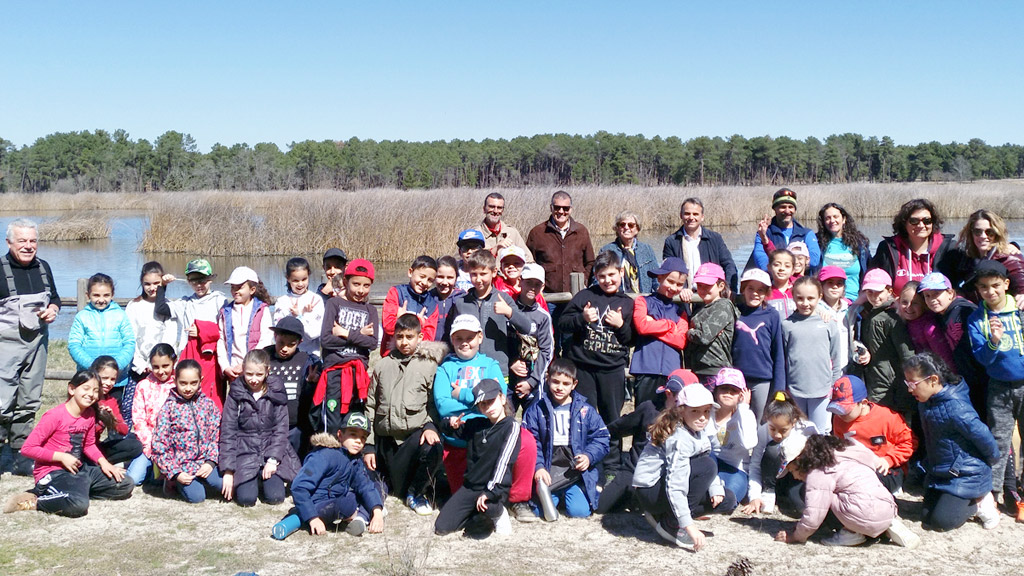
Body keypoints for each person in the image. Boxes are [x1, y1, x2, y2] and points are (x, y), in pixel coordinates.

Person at [4, 370, 133, 516]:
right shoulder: (54, 416)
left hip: (79, 470)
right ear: (72, 389)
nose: (91, 394)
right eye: (86, 388)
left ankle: (73, 493)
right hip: (54, 473)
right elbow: (28, 449)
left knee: (125, 484)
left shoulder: (90, 414)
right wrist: (61, 457)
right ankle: (34, 501)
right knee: (78, 505)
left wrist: (104, 463)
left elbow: (89, 445)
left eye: (96, 391)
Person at [905, 352, 1001, 531]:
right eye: (907, 383)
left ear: (933, 380)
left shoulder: (957, 408)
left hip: (965, 474)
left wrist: (990, 462)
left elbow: (984, 437)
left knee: (943, 523)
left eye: (913, 384)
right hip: (941, 472)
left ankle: (981, 502)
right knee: (926, 518)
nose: (910, 389)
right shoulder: (925, 402)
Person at [558, 250, 634, 472]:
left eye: (611, 275)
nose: (607, 280)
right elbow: (562, 323)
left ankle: (611, 467)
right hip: (584, 369)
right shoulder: (584, 297)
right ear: (595, 277)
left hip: (612, 370)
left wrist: (621, 325)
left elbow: (631, 340)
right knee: (584, 417)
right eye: (602, 276)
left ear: (620, 272)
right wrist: (581, 319)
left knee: (612, 418)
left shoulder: (627, 303)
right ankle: (587, 464)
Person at [773, 435, 920, 548]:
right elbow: (872, 462)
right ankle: (888, 524)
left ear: (800, 460)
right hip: (887, 506)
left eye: (792, 470)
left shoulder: (819, 472)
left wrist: (796, 536)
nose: (795, 477)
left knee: (819, 497)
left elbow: (813, 516)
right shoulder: (846, 450)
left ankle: (850, 533)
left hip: (861, 514)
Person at [365, 313, 447, 515]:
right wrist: (368, 444)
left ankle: (415, 493)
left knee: (434, 446)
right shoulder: (382, 365)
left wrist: (429, 426)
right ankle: (378, 496)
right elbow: (371, 406)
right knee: (375, 478)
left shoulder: (429, 366)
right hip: (386, 440)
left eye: (409, 337)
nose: (404, 342)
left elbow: (433, 405)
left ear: (420, 337)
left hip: (412, 439)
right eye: (399, 337)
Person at [631, 383, 724, 551]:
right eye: (695, 411)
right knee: (708, 466)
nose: (702, 417)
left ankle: (664, 515)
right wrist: (689, 526)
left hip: (666, 485)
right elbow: (675, 484)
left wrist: (715, 487)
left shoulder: (698, 430)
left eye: (706, 411)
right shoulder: (679, 438)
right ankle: (672, 524)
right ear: (681, 411)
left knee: (727, 501)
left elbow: (701, 459)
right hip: (650, 490)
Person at [0, 218, 60, 476]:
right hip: (5, 345)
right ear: (9, 242)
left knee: (29, 400)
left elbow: (55, 298)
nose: (28, 246)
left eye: (33, 240)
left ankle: (21, 454)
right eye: (22, 240)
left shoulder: (43, 267)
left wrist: (54, 310)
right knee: (1, 402)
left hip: (38, 345)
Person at [965, 260, 1024, 512]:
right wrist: (994, 340)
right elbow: (982, 358)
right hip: (998, 386)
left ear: (1006, 285)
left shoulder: (1020, 311)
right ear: (978, 290)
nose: (991, 292)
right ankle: (996, 493)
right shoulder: (977, 319)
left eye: (996, 286)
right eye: (984, 287)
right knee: (999, 439)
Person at [272, 412, 385, 539]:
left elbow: (365, 485)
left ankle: (361, 518)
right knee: (347, 503)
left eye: (363, 437)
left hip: (337, 499)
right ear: (340, 435)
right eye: (353, 434)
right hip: (318, 505)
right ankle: (359, 515)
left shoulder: (355, 460)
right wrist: (313, 517)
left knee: (378, 486)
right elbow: (299, 487)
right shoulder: (324, 455)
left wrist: (377, 512)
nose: (358, 441)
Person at [597, 368, 695, 514]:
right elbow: (618, 427)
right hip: (634, 470)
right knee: (601, 507)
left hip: (666, 475)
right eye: (681, 399)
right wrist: (596, 434)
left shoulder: (693, 418)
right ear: (668, 393)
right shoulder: (649, 409)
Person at [523, 358, 610, 519]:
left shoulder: (586, 410)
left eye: (565, 383)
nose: (560, 388)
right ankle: (556, 494)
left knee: (580, 512)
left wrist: (589, 456)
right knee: (538, 511)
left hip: (574, 471)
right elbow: (530, 442)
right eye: (555, 382)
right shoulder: (536, 410)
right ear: (547, 379)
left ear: (574, 384)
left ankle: (575, 490)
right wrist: (539, 467)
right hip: (549, 468)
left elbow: (602, 437)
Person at [435, 379, 521, 537]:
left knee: (484, 519)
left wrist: (490, 492)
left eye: (491, 401)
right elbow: (450, 430)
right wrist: (450, 423)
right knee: (442, 527)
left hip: (492, 488)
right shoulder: (476, 425)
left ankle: (498, 512)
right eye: (483, 404)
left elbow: (504, 464)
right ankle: (477, 514)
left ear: (502, 399)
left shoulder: (511, 426)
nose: (488, 407)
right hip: (470, 487)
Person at [219, 349, 301, 507]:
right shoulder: (236, 393)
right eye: (249, 374)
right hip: (245, 451)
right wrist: (228, 470)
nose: (254, 379)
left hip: (270, 449)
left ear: (267, 372)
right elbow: (228, 432)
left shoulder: (276, 391)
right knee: (246, 500)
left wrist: (273, 460)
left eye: (259, 374)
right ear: (243, 370)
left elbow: (281, 429)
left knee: (276, 497)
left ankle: (266, 476)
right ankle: (252, 478)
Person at [433, 314, 505, 493]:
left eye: (470, 338)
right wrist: (482, 401)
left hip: (485, 433)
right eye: (459, 338)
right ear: (452, 339)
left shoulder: (490, 365)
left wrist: (462, 394)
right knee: (460, 493)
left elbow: (498, 395)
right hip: (457, 435)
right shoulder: (445, 368)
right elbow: (442, 405)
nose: (464, 343)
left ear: (480, 337)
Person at [443, 249, 533, 387]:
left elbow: (526, 327)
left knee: (498, 406)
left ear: (494, 272)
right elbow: (451, 336)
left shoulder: (504, 299)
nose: (478, 279)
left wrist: (509, 312)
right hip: (469, 370)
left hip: (498, 369)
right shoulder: (461, 303)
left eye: (483, 274)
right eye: (474, 274)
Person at [314, 259, 379, 435]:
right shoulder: (334, 304)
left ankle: (351, 459)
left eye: (366, 286)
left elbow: (372, 343)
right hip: (335, 372)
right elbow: (326, 340)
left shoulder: (370, 310)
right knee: (333, 423)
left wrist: (346, 333)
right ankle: (331, 455)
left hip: (358, 375)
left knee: (354, 422)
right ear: (345, 282)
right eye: (356, 284)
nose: (360, 290)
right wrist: (359, 334)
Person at [527, 190, 596, 351]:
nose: (561, 212)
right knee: (548, 340)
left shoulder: (581, 231)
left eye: (565, 208)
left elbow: (591, 261)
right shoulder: (538, 233)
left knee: (571, 340)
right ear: (551, 208)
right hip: (547, 298)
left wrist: (584, 280)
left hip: (574, 298)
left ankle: (570, 373)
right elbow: (530, 263)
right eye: (557, 207)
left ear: (571, 209)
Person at [151, 360, 224, 503]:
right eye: (183, 383)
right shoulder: (168, 408)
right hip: (182, 465)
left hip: (204, 461)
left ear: (200, 381)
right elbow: (159, 445)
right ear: (175, 380)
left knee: (221, 485)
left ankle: (203, 479)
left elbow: (217, 435)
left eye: (193, 383)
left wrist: (210, 462)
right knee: (197, 498)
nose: (188, 388)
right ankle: (173, 482)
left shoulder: (208, 405)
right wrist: (175, 473)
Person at [827, 375, 915, 494]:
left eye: (845, 410)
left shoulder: (887, 417)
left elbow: (909, 442)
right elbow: (840, 447)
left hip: (886, 468)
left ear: (863, 403)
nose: (840, 415)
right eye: (837, 410)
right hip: (856, 467)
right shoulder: (839, 419)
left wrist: (889, 460)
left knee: (866, 485)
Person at [847, 269, 915, 417]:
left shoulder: (892, 318)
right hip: (874, 378)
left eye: (878, 292)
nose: (874, 296)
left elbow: (906, 353)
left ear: (889, 291)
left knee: (890, 418)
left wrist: (910, 379)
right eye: (869, 292)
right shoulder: (868, 313)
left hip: (890, 382)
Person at [743, 391, 819, 517]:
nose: (777, 435)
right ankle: (769, 491)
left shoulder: (807, 429)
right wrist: (754, 496)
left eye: (783, 430)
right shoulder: (763, 431)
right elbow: (755, 465)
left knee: (799, 508)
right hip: (773, 475)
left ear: (794, 422)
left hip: (797, 477)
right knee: (773, 448)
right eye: (772, 429)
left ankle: (784, 495)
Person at [918, 272, 985, 413]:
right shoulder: (942, 315)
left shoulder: (964, 311)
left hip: (981, 375)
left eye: (936, 294)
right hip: (966, 376)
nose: (932, 300)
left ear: (950, 293)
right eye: (927, 296)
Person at [783, 276, 842, 433]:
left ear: (820, 297)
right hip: (795, 389)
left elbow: (836, 357)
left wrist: (833, 385)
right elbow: (783, 359)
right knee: (798, 431)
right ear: (793, 297)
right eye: (800, 298)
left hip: (822, 389)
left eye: (810, 298)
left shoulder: (828, 323)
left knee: (820, 432)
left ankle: (821, 458)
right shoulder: (787, 325)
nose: (805, 303)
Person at [630, 257, 690, 406]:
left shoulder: (681, 310)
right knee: (644, 413)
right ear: (660, 277)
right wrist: (669, 325)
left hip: (671, 371)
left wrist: (654, 326)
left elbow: (681, 341)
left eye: (679, 284)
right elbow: (642, 326)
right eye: (670, 281)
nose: (674, 287)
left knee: (668, 415)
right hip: (646, 367)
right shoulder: (643, 301)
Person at [68, 273, 136, 403]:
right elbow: (74, 345)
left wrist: (115, 367)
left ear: (112, 295)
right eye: (96, 295)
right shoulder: (82, 317)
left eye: (106, 295)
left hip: (115, 380)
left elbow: (129, 343)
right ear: (88, 295)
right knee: (87, 411)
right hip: (88, 376)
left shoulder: (120, 315)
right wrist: (93, 367)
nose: (101, 299)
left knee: (112, 411)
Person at [870, 198, 957, 294]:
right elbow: (872, 284)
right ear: (904, 223)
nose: (921, 225)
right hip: (898, 307)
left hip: (937, 308)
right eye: (914, 221)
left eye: (927, 220)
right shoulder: (888, 249)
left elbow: (961, 288)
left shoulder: (949, 249)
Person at [732, 268, 786, 422]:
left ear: (767, 293)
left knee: (761, 421)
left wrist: (779, 389)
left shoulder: (772, 315)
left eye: (760, 290)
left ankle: (759, 447)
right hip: (738, 379)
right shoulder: (736, 311)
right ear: (743, 289)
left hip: (763, 379)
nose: (755, 293)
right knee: (738, 420)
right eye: (750, 288)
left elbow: (779, 353)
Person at [262, 316, 320, 456]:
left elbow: (309, 400)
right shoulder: (263, 357)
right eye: (281, 343)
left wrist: (311, 383)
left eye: (291, 344)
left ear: (300, 342)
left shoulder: (307, 362)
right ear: (275, 336)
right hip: (267, 425)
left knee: (295, 462)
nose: (284, 348)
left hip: (295, 427)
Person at [126, 343, 178, 485]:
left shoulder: (179, 386)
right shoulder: (143, 386)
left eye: (165, 366)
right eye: (156, 367)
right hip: (149, 443)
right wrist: (151, 447)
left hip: (173, 444)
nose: (161, 371)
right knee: (134, 479)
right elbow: (139, 420)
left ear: (174, 362)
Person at [663, 198, 738, 293]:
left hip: (711, 295)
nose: (691, 217)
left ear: (702, 217)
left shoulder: (715, 239)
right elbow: (668, 272)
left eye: (695, 214)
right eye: (687, 213)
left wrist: (728, 289)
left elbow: (729, 265)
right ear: (681, 215)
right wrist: (680, 289)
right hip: (683, 296)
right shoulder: (672, 241)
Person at [952, 209, 1024, 308]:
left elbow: (1021, 283)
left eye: (989, 232)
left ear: (997, 233)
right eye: (977, 231)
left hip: (1002, 316)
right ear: (971, 233)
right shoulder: (967, 258)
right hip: (977, 316)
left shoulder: (1010, 257)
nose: (983, 236)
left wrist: (1022, 295)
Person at [708, 368, 757, 513]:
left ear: (741, 394)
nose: (728, 393)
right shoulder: (706, 413)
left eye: (734, 390)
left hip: (736, 469)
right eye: (724, 388)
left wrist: (743, 408)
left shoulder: (746, 415)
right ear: (716, 392)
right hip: (710, 464)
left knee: (729, 501)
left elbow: (749, 443)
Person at [508, 263, 554, 411]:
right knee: (504, 421)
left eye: (537, 284)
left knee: (535, 422)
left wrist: (532, 381)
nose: (532, 288)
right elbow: (498, 343)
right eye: (528, 282)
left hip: (533, 377)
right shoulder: (507, 310)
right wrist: (511, 362)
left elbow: (547, 350)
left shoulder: (543, 317)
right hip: (508, 375)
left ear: (543, 286)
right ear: (520, 281)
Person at [217, 266, 274, 383]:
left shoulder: (262, 310)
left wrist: (246, 364)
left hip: (255, 370)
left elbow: (266, 340)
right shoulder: (226, 312)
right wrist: (225, 367)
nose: (235, 291)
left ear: (252, 290)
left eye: (240, 287)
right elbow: (221, 340)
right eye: (233, 287)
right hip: (233, 369)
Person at [125, 261, 174, 396]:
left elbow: (170, 337)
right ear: (142, 283)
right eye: (147, 284)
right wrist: (141, 364)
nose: (152, 288)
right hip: (139, 368)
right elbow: (130, 337)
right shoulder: (134, 306)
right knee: (133, 408)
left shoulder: (169, 306)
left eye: (156, 284)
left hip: (161, 368)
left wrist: (158, 364)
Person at [686, 263, 737, 384]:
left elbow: (704, 336)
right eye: (700, 285)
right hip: (699, 368)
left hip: (715, 368)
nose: (703, 289)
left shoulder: (723, 305)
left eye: (708, 285)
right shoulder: (701, 308)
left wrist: (689, 332)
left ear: (721, 286)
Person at [749, 188, 820, 273]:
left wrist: (787, 269)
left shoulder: (806, 233)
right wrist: (782, 274)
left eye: (790, 207)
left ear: (795, 210)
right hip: (774, 282)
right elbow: (761, 261)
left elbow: (814, 260)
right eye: (782, 207)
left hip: (800, 283)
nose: (787, 211)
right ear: (775, 209)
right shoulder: (764, 233)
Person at [89, 357, 143, 467]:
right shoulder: (86, 396)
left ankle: (99, 463)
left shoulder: (110, 401)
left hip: (95, 446)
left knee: (135, 446)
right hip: (79, 445)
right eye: (104, 378)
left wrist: (112, 419)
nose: (108, 383)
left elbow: (124, 430)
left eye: (112, 379)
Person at [380, 255, 439, 356]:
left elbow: (428, 339)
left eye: (430, 280)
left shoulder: (432, 305)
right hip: (391, 354)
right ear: (410, 272)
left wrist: (402, 319)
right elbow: (388, 326)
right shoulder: (396, 293)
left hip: (416, 357)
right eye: (422, 276)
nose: (424, 282)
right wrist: (419, 323)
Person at [816, 203, 871, 300]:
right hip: (825, 303)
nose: (832, 221)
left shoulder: (859, 243)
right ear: (823, 222)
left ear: (844, 219)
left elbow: (869, 272)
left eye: (835, 217)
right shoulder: (817, 243)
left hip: (855, 302)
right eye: (827, 218)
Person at [272, 257, 325, 357]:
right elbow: (280, 332)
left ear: (308, 275)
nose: (300, 284)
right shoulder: (282, 301)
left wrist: (299, 316)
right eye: (295, 280)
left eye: (304, 279)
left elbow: (313, 334)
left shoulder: (316, 300)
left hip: (310, 356)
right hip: (287, 357)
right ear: (288, 278)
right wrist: (294, 316)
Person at [898, 281, 955, 368]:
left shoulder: (930, 328)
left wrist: (949, 379)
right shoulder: (902, 322)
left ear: (924, 304)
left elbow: (945, 358)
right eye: (904, 302)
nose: (908, 307)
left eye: (915, 303)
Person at [600, 211, 659, 294]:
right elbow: (598, 279)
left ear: (637, 229)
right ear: (617, 228)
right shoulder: (607, 250)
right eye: (622, 225)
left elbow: (656, 278)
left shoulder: (647, 249)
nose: (626, 228)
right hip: (617, 300)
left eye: (631, 225)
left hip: (643, 299)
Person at [471, 192, 533, 261]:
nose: (495, 211)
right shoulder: (474, 234)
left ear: (503, 210)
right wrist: (495, 248)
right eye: (491, 207)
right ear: (484, 209)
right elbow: (468, 261)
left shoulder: (512, 233)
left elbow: (528, 258)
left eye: (499, 208)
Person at [494, 246, 548, 312]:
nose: (511, 266)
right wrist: (495, 249)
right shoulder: (497, 282)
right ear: (501, 268)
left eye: (516, 263)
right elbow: (483, 266)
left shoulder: (533, 292)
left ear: (524, 266)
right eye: (506, 264)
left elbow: (545, 317)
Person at [818, 266, 851, 373]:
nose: (835, 286)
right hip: (823, 366)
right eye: (830, 283)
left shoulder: (849, 308)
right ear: (821, 286)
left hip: (845, 364)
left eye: (839, 283)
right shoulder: (815, 308)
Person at [432, 255, 465, 332]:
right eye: (440, 277)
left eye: (450, 278)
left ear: (456, 278)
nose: (444, 282)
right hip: (432, 343)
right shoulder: (428, 298)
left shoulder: (463, 298)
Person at [765, 249, 796, 317]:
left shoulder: (798, 291)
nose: (782, 268)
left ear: (793, 270)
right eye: (777, 265)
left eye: (787, 266)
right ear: (769, 267)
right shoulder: (765, 292)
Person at [454, 229, 487, 293]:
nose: (469, 251)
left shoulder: (488, 272)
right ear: (460, 252)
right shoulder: (454, 271)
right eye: (465, 248)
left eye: (474, 247)